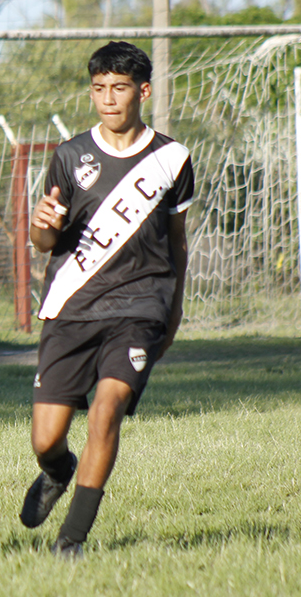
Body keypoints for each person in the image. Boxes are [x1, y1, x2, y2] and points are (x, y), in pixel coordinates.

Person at [20, 41, 193, 558]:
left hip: (141, 307)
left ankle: (71, 539)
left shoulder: (172, 158)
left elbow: (178, 242)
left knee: (107, 410)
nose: (108, 100)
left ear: (142, 91)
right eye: (99, 89)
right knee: (45, 440)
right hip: (73, 305)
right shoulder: (70, 156)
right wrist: (39, 228)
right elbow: (45, 241)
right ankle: (57, 472)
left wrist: (174, 310)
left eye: (119, 89)